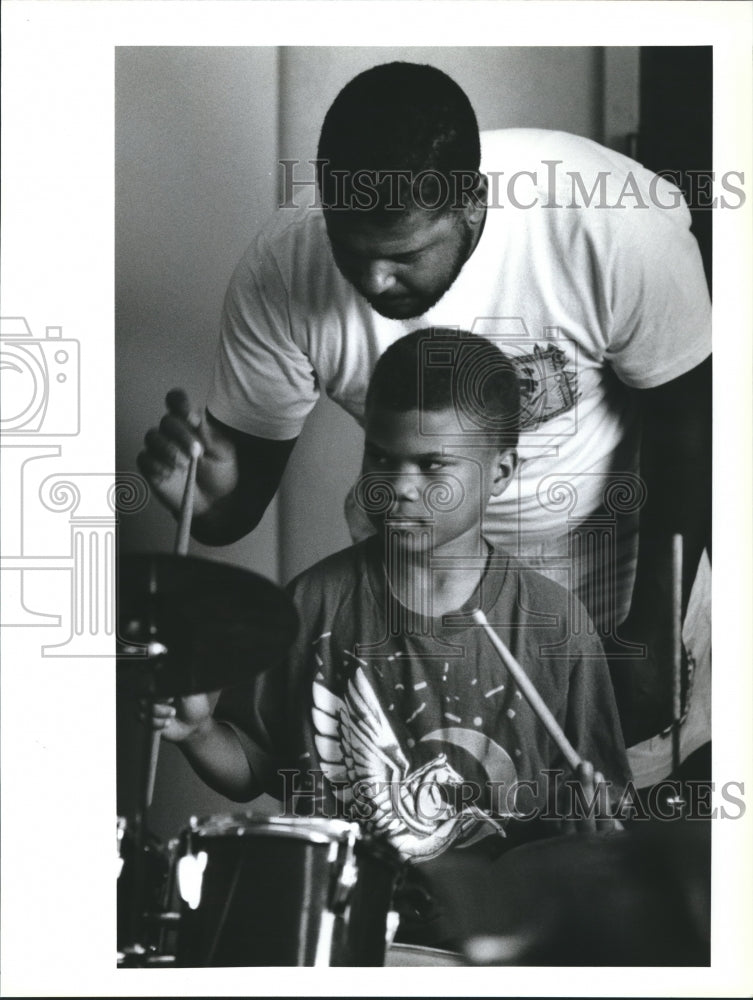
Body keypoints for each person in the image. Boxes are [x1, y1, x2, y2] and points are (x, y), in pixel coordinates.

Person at [138, 61, 711, 774]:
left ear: (472, 204)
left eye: (403, 255)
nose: (375, 281)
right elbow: (230, 507)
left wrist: (652, 634)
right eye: (354, 254)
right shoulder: (283, 270)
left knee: (604, 808)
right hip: (408, 565)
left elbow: (694, 428)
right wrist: (206, 490)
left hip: (606, 553)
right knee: (421, 799)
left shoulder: (609, 220)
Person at [150, 329, 631, 950]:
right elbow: (256, 768)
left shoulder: (556, 623)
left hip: (497, 946)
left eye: (432, 465)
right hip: (335, 936)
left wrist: (595, 833)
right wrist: (199, 734)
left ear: (500, 472)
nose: (398, 485)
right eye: (381, 457)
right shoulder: (312, 603)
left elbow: (602, 817)